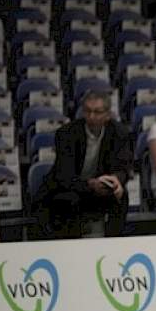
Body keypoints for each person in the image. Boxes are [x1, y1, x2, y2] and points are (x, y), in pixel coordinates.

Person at [33, 91, 131, 239]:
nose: (91, 116)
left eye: (97, 112)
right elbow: (63, 176)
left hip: (101, 186)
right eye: (88, 111)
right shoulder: (67, 133)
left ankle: (114, 245)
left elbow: (123, 166)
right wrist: (90, 185)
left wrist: (116, 180)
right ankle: (71, 248)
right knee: (68, 200)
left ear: (108, 114)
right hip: (69, 187)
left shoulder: (119, 132)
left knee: (121, 197)